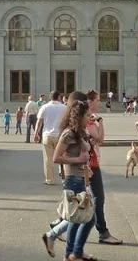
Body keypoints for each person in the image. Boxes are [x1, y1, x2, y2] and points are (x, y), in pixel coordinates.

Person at [45, 92, 95, 261]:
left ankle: (71, 254)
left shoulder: (79, 132)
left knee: (77, 218)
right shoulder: (68, 133)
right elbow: (56, 157)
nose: (89, 118)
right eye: (87, 116)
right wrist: (78, 159)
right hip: (73, 180)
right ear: (79, 116)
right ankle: (74, 252)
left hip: (81, 177)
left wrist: (86, 164)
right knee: (87, 217)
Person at [34, 90, 67, 185]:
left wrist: (36, 134)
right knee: (63, 157)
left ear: (50, 97)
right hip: (60, 136)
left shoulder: (44, 107)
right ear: (59, 97)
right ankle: (66, 177)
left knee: (48, 159)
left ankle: (50, 180)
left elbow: (39, 122)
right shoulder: (64, 108)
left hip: (47, 136)